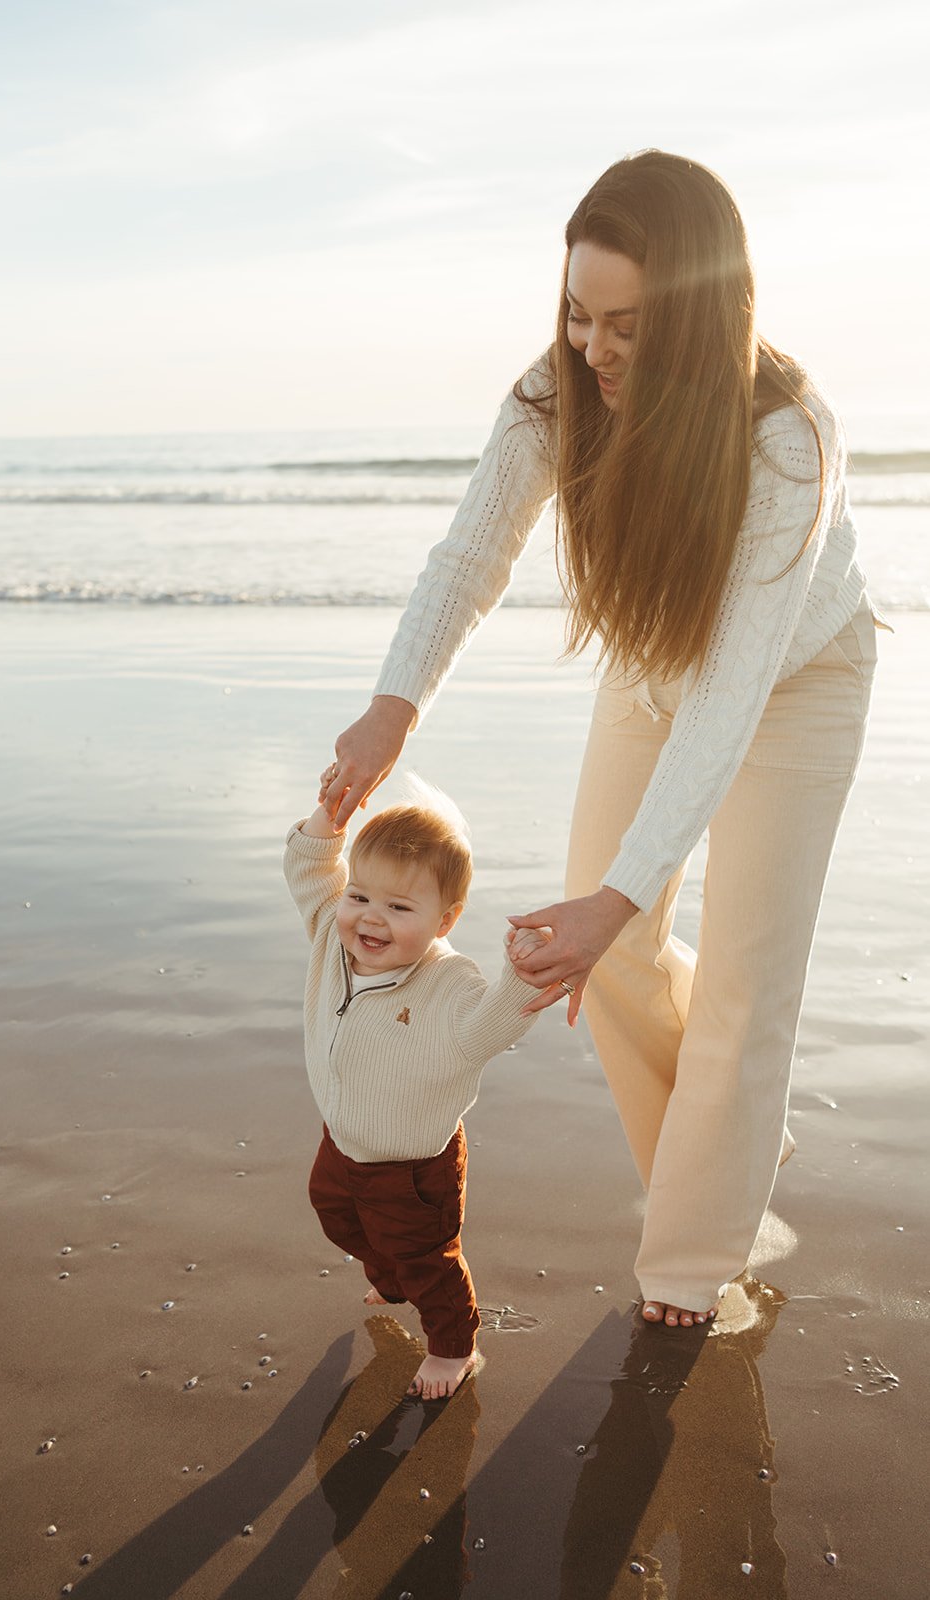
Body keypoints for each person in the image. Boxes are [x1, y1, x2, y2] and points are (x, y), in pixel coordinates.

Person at [317, 150, 880, 1332]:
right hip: (654, 659)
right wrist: (391, 704)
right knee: (605, 947)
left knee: (740, 978)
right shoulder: (550, 393)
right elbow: (472, 553)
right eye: (577, 312)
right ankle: (733, 1131)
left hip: (792, 682)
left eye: (625, 322)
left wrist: (621, 892)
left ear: (698, 315)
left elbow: (730, 697)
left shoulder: (787, 441)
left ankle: (684, 1263)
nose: (594, 346)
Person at [283, 789, 546, 1399]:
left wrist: (522, 973)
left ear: (445, 920)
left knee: (429, 1261)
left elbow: (492, 1027)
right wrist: (331, 812)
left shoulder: (450, 984)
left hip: (411, 1167)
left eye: (400, 906)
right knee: (337, 1217)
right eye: (359, 896)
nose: (370, 918)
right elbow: (306, 869)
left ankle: (454, 1347)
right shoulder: (332, 938)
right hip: (341, 1139)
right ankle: (390, 1276)